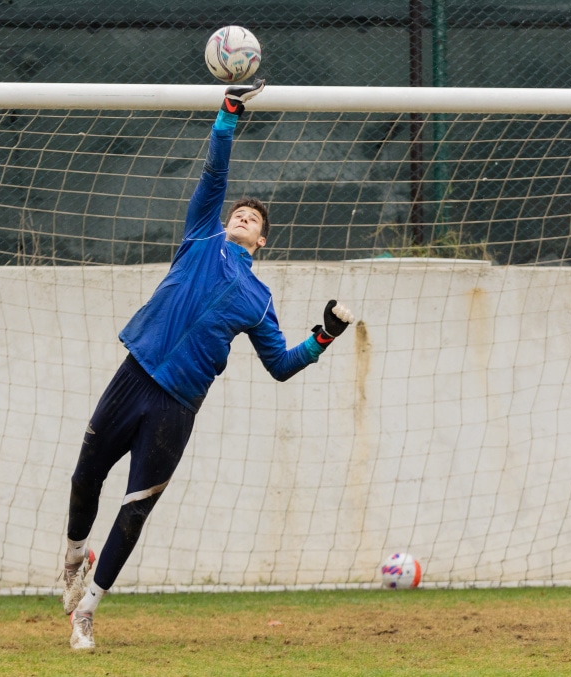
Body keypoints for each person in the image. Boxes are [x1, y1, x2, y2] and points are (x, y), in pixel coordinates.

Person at [61, 79, 355, 650]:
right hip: (136, 374)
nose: (242, 214)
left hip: (178, 405)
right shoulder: (200, 238)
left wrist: (324, 336)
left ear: (262, 241)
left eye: (252, 217)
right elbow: (213, 177)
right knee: (84, 476)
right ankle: (74, 551)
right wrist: (227, 115)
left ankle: (86, 614)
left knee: (135, 511)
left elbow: (281, 365)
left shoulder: (259, 299)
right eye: (239, 211)